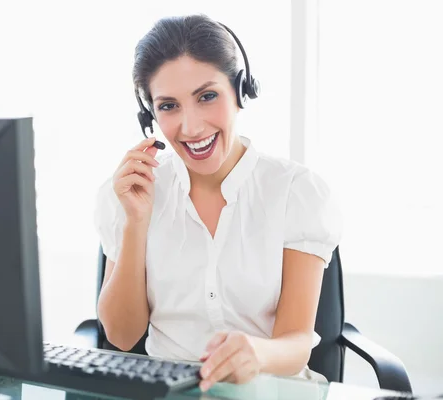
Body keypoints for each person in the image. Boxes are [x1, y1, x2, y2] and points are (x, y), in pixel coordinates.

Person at [94, 14, 342, 392]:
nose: (190, 127)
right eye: (168, 106)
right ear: (150, 114)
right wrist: (135, 221)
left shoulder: (295, 192)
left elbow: (296, 344)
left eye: (207, 96)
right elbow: (122, 336)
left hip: (271, 388)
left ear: (241, 91)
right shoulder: (132, 191)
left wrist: (256, 354)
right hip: (169, 390)